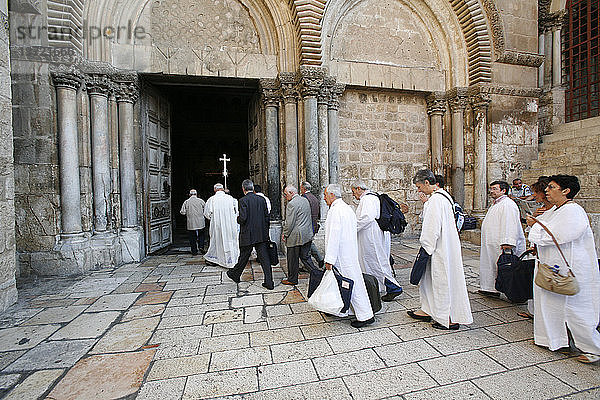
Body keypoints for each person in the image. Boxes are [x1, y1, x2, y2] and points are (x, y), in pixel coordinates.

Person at [526, 174, 600, 364]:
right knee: (552, 305)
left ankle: (593, 349)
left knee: (575, 309)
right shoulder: (555, 210)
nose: (547, 191)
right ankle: (555, 340)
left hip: (570, 268)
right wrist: (536, 223)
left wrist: (535, 226)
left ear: (565, 191)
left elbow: (560, 234)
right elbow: (542, 227)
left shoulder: (573, 211)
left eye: (551, 187)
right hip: (551, 267)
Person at [407, 169, 472, 330]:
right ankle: (427, 310)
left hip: (438, 249)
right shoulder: (444, 196)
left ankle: (448, 318)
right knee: (429, 280)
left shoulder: (436, 200)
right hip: (445, 245)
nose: (419, 190)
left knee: (441, 280)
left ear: (427, 183)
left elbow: (432, 228)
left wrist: (425, 247)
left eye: (419, 187)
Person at [323, 184, 375, 328]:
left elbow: (334, 236)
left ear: (332, 195)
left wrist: (329, 259)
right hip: (349, 253)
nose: (324, 198)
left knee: (351, 284)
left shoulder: (335, 211)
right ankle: (343, 310)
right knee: (346, 283)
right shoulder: (347, 209)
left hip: (341, 255)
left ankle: (365, 315)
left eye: (325, 195)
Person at [351, 181, 403, 302]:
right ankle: (374, 288)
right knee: (373, 262)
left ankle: (393, 287)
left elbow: (366, 217)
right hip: (371, 234)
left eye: (354, 192)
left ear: (359, 188)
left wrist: (352, 228)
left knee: (376, 263)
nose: (354, 195)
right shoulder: (373, 197)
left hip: (370, 236)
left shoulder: (367, 199)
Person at [479, 180, 526, 297]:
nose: (491, 191)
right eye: (491, 189)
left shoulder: (508, 204)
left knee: (503, 268)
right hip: (492, 242)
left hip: (500, 243)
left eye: (495, 189)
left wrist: (507, 241)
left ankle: (508, 290)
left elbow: (510, 223)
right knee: (491, 265)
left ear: (503, 190)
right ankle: (490, 288)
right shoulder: (497, 204)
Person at [226, 179, 274, 290]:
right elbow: (267, 217)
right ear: (252, 188)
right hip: (261, 234)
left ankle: (235, 274)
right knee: (264, 258)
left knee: (243, 256)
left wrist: (238, 219)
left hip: (248, 234)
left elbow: (243, 218)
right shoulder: (262, 200)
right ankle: (269, 282)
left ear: (243, 189)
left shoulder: (243, 201)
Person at [281, 186, 318, 285]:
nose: (285, 196)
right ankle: (317, 274)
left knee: (292, 259)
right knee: (305, 257)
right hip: (306, 234)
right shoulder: (304, 200)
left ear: (291, 193)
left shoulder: (292, 204)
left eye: (285, 194)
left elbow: (289, 222)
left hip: (295, 236)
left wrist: (285, 233)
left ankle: (292, 279)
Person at [203, 183, 239, 268]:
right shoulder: (231, 199)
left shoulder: (211, 199)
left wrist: (214, 218)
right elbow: (237, 212)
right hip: (230, 225)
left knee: (217, 242)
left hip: (217, 225)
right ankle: (231, 260)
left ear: (215, 190)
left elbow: (206, 214)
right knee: (230, 241)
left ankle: (217, 259)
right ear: (222, 189)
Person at [300, 181, 324, 268]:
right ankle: (320, 259)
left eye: (301, 187)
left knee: (305, 249)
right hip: (314, 225)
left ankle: (311, 268)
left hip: (307, 226)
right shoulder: (314, 198)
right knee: (309, 244)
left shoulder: (304, 198)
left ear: (304, 188)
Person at [180, 189, 206, 255]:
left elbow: (182, 212)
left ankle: (194, 251)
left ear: (189, 195)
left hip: (191, 222)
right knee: (201, 235)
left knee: (192, 237)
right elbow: (206, 210)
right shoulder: (201, 201)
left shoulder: (187, 202)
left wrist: (188, 213)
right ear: (196, 194)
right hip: (200, 221)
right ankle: (201, 246)